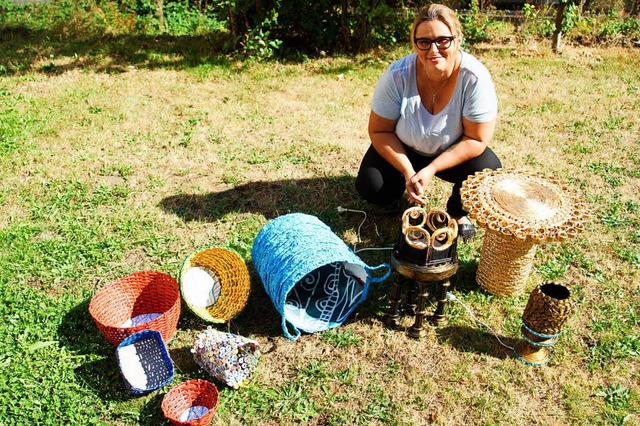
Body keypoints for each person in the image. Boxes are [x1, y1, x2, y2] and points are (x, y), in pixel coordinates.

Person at [355, 3, 502, 241]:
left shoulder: (474, 78)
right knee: (371, 187)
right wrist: (408, 171)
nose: (433, 50)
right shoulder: (397, 75)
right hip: (405, 148)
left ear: (458, 39)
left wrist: (431, 169)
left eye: (443, 40)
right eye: (424, 42)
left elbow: (476, 138)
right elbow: (380, 130)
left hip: (451, 152)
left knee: (488, 171)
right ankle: (397, 196)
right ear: (414, 43)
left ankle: (457, 211)